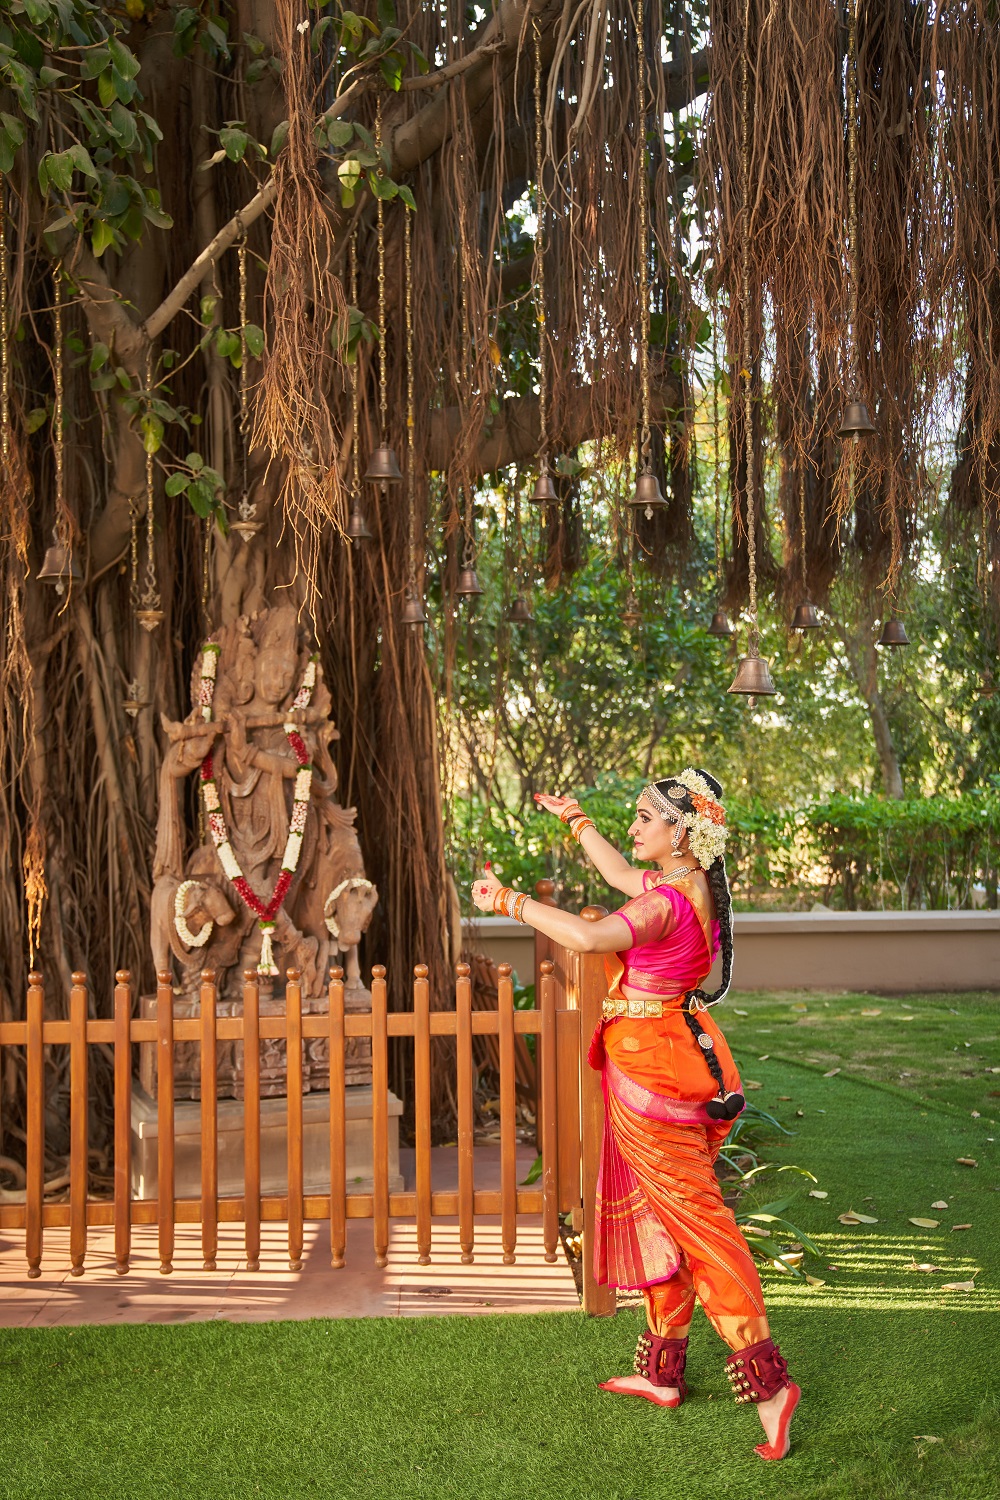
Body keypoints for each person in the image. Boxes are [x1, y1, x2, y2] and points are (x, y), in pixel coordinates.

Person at [470, 770, 800, 1462]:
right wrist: (576, 819)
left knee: (700, 1224)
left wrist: (509, 900)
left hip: (656, 1073)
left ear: (682, 832)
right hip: (664, 1058)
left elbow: (591, 942)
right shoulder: (679, 886)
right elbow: (619, 871)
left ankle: (770, 1384)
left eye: (646, 817)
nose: (636, 827)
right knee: (668, 1218)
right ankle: (663, 1375)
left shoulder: (669, 904)